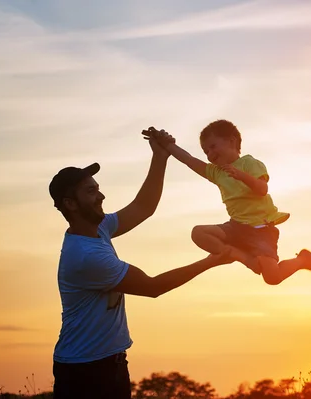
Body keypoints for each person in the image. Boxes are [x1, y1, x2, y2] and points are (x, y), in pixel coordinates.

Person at [48, 128, 233, 399]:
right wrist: (209, 262)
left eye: (98, 189)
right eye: (90, 192)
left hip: (110, 363)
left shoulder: (98, 228)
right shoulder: (86, 256)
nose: (101, 196)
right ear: (70, 204)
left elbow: (143, 207)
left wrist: (160, 157)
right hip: (84, 372)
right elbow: (152, 286)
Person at [143, 120, 311, 286]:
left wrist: (242, 176)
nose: (209, 154)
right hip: (236, 228)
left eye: (213, 146)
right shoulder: (216, 173)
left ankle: (302, 260)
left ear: (232, 142)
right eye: (206, 151)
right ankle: (242, 257)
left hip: (261, 230)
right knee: (198, 233)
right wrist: (166, 144)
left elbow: (262, 189)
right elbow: (188, 160)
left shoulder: (250, 163)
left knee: (272, 278)